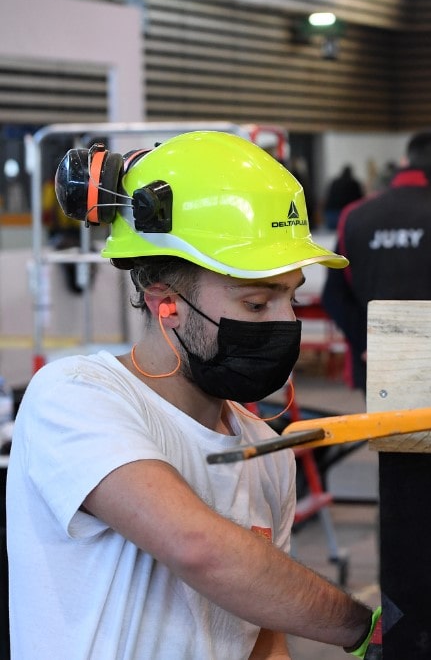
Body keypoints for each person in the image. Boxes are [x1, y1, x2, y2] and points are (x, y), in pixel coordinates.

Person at [6, 131, 380, 658]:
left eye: (290, 296)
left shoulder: (262, 450)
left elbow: (261, 629)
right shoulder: (77, 397)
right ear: (166, 303)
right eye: (256, 304)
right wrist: (365, 629)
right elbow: (200, 548)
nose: (286, 322)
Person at [321, 131, 431, 391]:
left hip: (372, 361)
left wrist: (369, 343)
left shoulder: (354, 216)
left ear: (404, 161)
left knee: (379, 429)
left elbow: (334, 295)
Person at [324, 164, 365, 230]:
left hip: (332, 217)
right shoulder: (354, 183)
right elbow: (360, 201)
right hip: (347, 217)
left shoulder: (334, 182)